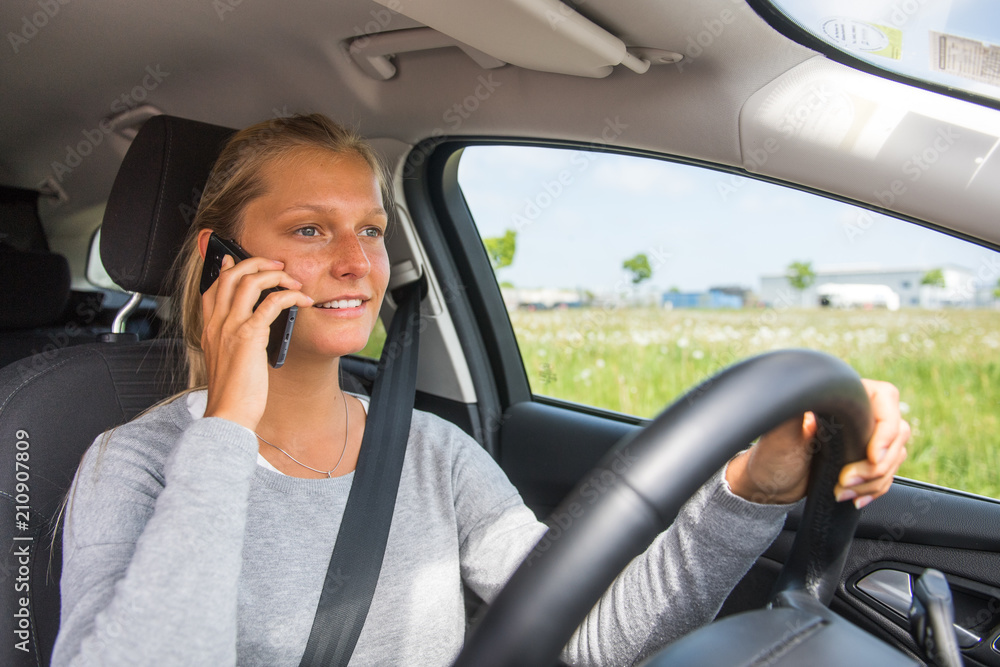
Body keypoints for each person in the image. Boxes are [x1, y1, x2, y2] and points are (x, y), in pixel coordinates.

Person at [52, 114, 909, 666]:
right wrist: (229, 426)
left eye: (373, 230)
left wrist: (750, 490)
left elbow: (598, 637)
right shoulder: (137, 464)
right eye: (311, 229)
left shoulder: (431, 452)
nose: (357, 263)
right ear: (219, 261)